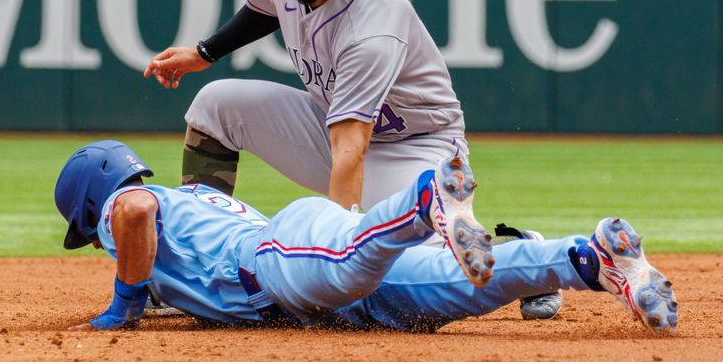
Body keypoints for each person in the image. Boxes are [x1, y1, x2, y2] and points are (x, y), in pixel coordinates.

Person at [142, 0, 561, 319]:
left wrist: (327, 263)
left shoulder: (373, 23)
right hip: (332, 121)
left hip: (415, 147)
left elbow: (349, 150)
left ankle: (530, 257)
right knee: (216, 105)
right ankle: (190, 260)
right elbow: (263, 9)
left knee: (420, 274)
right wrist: (205, 52)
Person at [55, 140, 678, 334]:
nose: (96, 240)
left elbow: (132, 213)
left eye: (88, 234)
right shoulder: (188, 204)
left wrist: (125, 301)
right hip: (313, 293)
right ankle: (589, 259)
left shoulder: (128, 204)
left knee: (354, 256)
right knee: (458, 290)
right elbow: (173, 275)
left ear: (90, 208)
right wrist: (150, 296)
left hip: (279, 257)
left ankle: (423, 202)